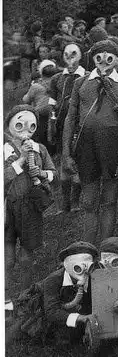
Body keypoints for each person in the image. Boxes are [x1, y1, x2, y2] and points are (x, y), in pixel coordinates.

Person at [62, 40, 118, 244]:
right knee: (89, 201)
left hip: (113, 144)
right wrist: (66, 154)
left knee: (110, 201)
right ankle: (87, 247)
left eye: (109, 56)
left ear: (116, 59)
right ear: (93, 58)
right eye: (99, 56)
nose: (104, 61)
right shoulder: (81, 83)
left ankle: (106, 248)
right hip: (86, 145)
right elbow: (70, 118)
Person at [5, 106, 57, 293]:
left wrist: (42, 173)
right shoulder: (5, 150)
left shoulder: (40, 149)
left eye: (31, 125)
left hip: (31, 206)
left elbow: (53, 173)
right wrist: (21, 160)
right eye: (19, 124)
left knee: (27, 254)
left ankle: (25, 294)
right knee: (7, 256)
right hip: (7, 206)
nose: (26, 130)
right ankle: (5, 293)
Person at [48, 42, 86, 213]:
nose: (70, 59)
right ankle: (65, 203)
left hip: (79, 126)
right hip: (61, 126)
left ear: (80, 56)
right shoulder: (57, 79)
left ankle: (75, 200)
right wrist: (51, 126)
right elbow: (52, 105)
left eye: (74, 54)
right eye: (66, 54)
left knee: (77, 161)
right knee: (64, 161)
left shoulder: (87, 76)